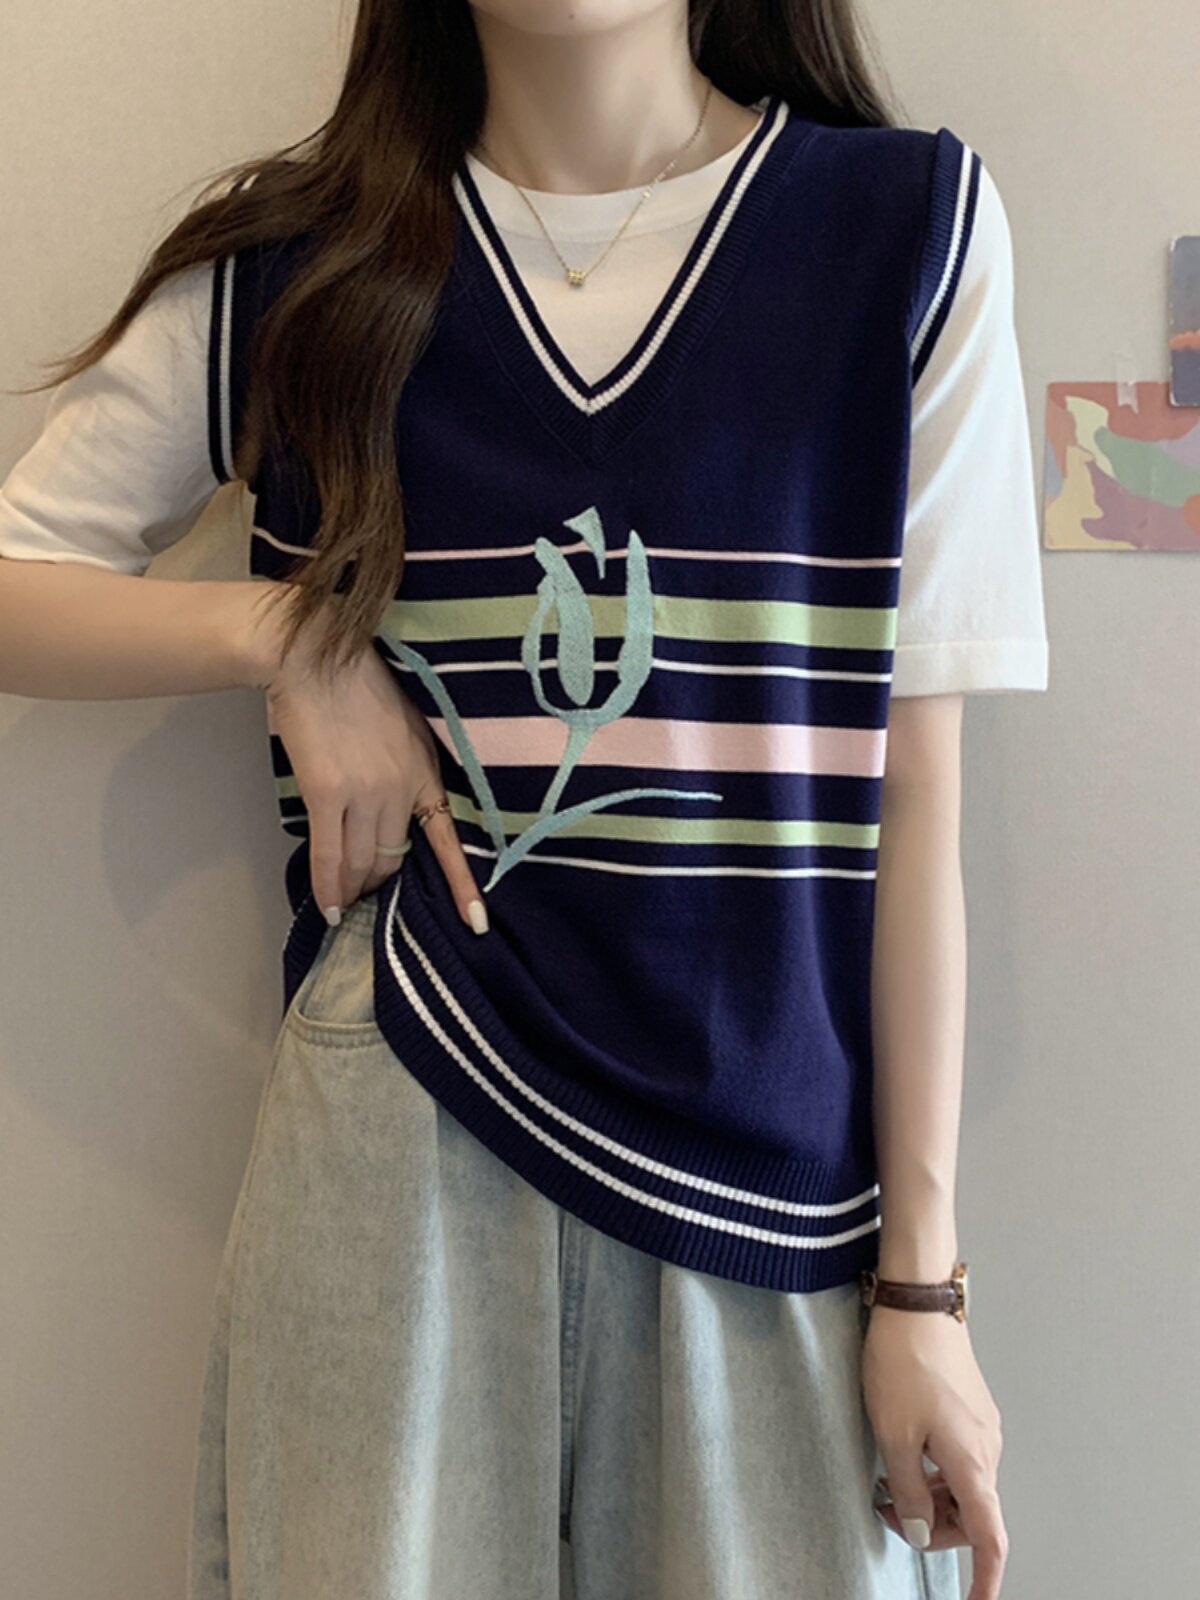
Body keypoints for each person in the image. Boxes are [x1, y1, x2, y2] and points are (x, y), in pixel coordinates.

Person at [0, 3, 1049, 1597]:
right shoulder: (300, 263)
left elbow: (916, 807)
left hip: (766, 1176)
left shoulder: (903, 230)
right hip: (401, 1107)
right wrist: (284, 631)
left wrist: (924, 1291)